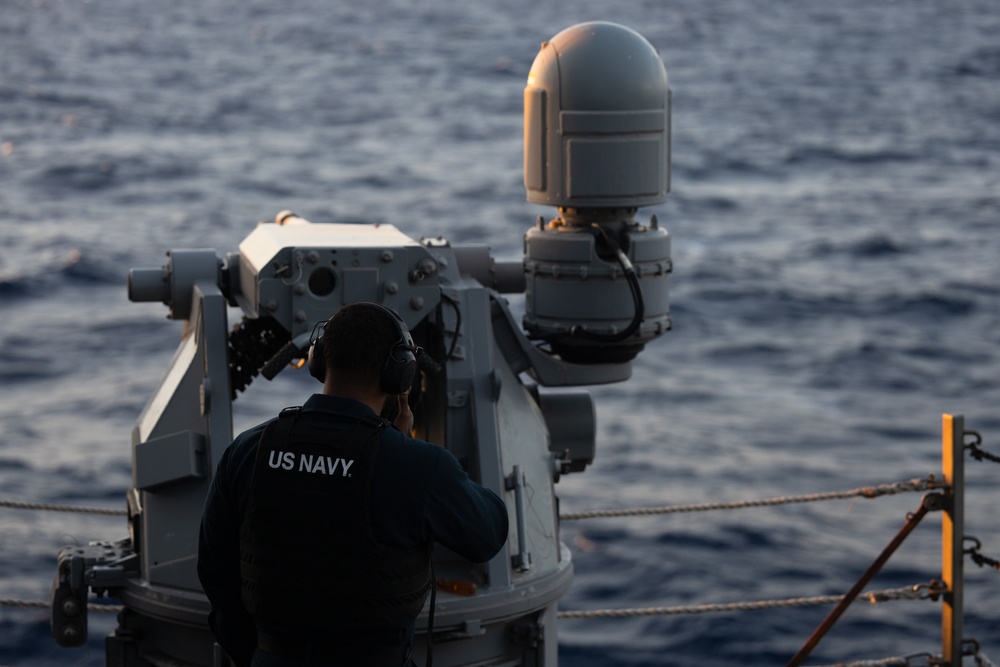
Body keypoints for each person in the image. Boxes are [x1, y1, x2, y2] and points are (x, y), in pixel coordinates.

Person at [198, 302, 509, 667]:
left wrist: (259, 653)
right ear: (400, 375)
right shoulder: (419, 466)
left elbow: (214, 571)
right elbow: (488, 533)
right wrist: (406, 450)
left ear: (319, 362)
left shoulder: (248, 450)